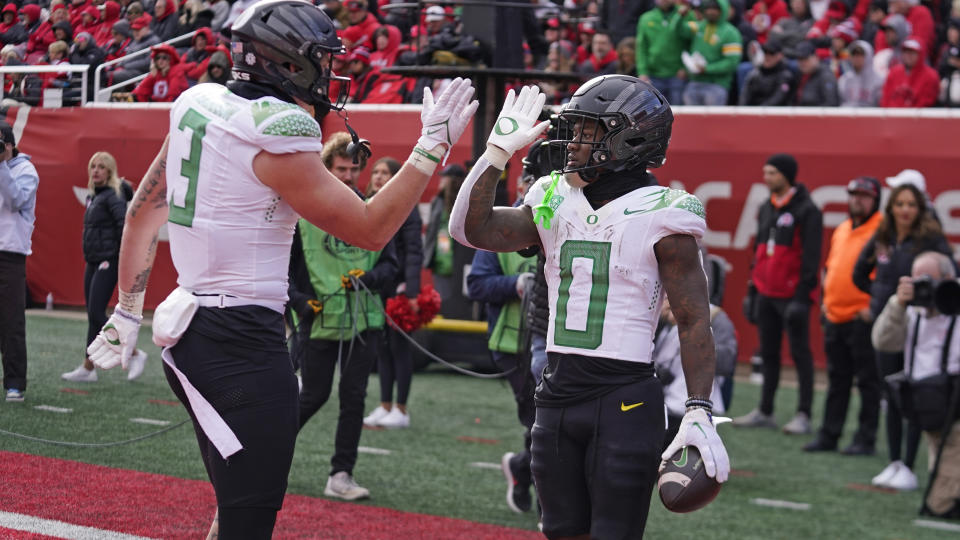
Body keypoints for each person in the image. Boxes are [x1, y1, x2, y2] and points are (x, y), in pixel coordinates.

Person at [84, 1, 478, 536]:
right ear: (286, 63)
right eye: (320, 57)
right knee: (250, 521)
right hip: (241, 345)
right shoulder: (279, 126)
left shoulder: (198, 101)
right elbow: (368, 229)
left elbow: (141, 212)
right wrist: (432, 146)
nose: (330, 69)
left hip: (193, 331)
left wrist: (127, 312)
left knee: (232, 509)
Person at [448, 77, 729, 538]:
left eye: (587, 130)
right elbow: (470, 230)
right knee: (560, 532)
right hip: (555, 393)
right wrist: (495, 154)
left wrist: (698, 407)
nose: (573, 141)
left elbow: (694, 318)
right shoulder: (552, 195)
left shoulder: (665, 209)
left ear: (630, 135)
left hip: (625, 395)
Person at [289, 132, 399, 500]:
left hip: (363, 324)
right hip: (319, 324)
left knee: (354, 399)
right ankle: (266, 455)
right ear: (325, 169)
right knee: (312, 396)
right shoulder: (299, 217)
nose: (349, 176)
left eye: (354, 169)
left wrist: (370, 279)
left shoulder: (373, 211)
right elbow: (281, 274)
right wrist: (301, 302)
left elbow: (391, 268)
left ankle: (341, 474)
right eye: (341, 169)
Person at [853, 181, 953, 490]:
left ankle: (909, 464)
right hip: (889, 322)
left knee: (915, 394)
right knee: (892, 393)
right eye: (900, 204)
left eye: (911, 204)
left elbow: (950, 277)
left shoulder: (931, 238)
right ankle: (894, 461)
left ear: (920, 208)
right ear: (892, 207)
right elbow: (858, 272)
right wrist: (879, 297)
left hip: (918, 327)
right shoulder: (883, 235)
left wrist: (927, 303)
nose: (905, 210)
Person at [466, 171, 538, 514]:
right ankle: (545, 501)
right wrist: (516, 285)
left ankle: (522, 470)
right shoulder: (498, 223)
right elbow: (477, 285)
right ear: (523, 187)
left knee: (550, 422)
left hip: (557, 342)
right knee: (539, 421)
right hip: (512, 344)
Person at [734, 153, 822, 434]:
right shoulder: (766, 207)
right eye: (766, 172)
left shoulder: (807, 210)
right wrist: (752, 290)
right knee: (768, 353)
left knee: (800, 354)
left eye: (771, 172)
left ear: (786, 175)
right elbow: (758, 251)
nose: (766, 177)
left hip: (792, 296)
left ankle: (804, 414)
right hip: (766, 294)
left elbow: (811, 258)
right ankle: (765, 410)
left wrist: (802, 296)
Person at [872, 251, 960, 518]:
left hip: (956, 404)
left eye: (929, 280)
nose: (924, 287)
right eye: (917, 279)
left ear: (948, 278)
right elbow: (883, 342)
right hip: (930, 406)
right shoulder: (910, 310)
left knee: (941, 503)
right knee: (940, 474)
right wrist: (898, 304)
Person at [803, 177, 883, 455]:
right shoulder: (843, 228)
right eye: (853, 195)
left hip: (862, 318)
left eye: (864, 196)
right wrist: (826, 304)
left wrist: (873, 306)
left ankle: (865, 439)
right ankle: (829, 435)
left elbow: (885, 274)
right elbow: (830, 269)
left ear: (875, 200)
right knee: (837, 381)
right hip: (835, 316)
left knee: (868, 382)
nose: (857, 200)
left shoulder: (883, 230)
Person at [62, 151, 148, 383]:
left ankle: (135, 353)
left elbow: (124, 228)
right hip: (93, 260)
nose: (96, 170)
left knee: (96, 313)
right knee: (93, 316)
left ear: (110, 171)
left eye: (101, 166)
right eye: (93, 166)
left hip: (107, 261)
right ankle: (88, 368)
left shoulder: (113, 195)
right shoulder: (95, 196)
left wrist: (121, 259)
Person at [363, 156, 423, 429]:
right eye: (375, 171)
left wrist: (410, 291)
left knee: (399, 347)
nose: (377, 177)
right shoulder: (366, 204)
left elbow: (413, 250)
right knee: (382, 348)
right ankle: (384, 404)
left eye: (385, 173)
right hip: (377, 286)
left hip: (398, 288)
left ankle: (401, 408)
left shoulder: (406, 206)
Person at [654, 296, 732, 448]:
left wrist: (691, 326)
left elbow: (727, 362)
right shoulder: (660, 313)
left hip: (694, 407)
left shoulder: (715, 316)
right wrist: (660, 320)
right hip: (659, 403)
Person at [0, 122, 38, 403]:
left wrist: (2, 166)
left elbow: (15, 202)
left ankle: (15, 383)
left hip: (10, 254)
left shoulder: (26, 171)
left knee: (11, 320)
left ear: (10, 145)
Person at [674, 0, 743, 105]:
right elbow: (678, 30)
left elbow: (731, 63)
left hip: (716, 85)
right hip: (694, 83)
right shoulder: (699, 27)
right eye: (708, 8)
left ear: (722, 10)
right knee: (692, 120)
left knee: (713, 121)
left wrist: (706, 69)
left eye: (715, 9)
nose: (710, 11)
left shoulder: (731, 33)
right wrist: (679, 17)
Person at [636, 0, 692, 106]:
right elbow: (642, 47)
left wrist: (686, 68)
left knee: (678, 114)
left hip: (677, 75)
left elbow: (692, 43)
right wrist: (642, 72)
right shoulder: (646, 18)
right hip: (653, 75)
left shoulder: (686, 15)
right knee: (654, 114)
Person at [880, 38, 939, 107]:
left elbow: (926, 102)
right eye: (906, 52)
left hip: (917, 116)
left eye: (912, 52)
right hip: (893, 115)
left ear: (920, 54)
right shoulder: (894, 72)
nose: (908, 55)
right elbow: (885, 99)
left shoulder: (930, 76)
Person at [739, 38, 798, 105]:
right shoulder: (755, 73)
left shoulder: (785, 76)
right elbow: (744, 97)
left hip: (774, 113)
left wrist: (759, 112)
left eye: (771, 53)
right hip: (753, 113)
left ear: (780, 56)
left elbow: (777, 99)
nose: (767, 56)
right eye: (765, 52)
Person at [793, 40, 840, 105]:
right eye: (799, 59)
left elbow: (831, 103)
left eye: (805, 59)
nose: (802, 63)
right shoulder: (799, 74)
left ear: (815, 57)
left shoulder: (825, 76)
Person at [839, 40, 885, 106]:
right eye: (854, 54)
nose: (857, 58)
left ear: (868, 56)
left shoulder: (879, 80)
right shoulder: (844, 79)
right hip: (847, 115)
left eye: (861, 55)